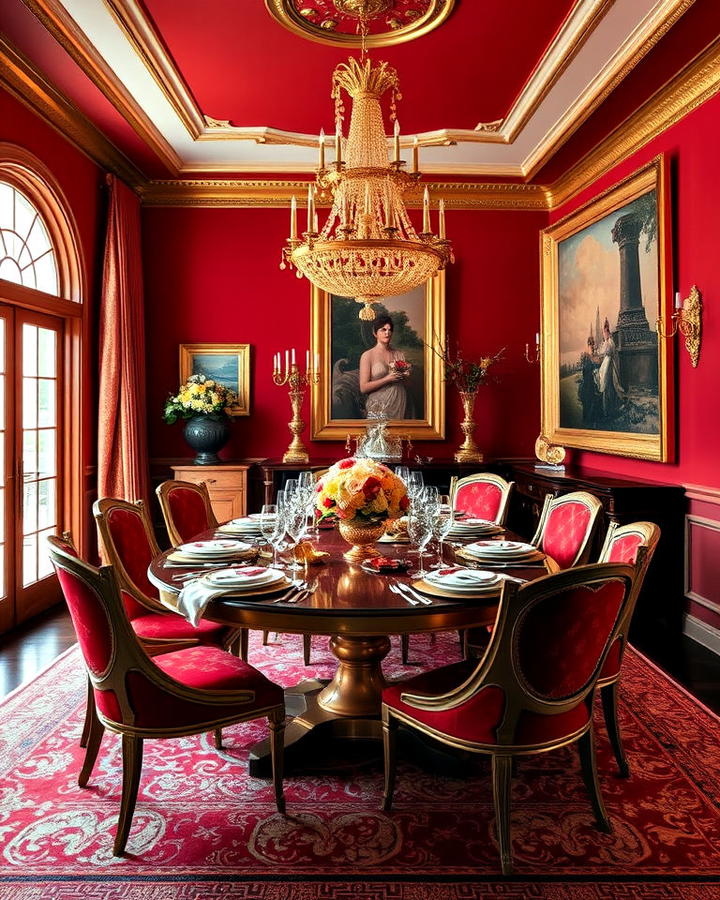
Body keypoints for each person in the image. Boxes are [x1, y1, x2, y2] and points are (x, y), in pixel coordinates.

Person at [359, 315, 411, 419]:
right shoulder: (368, 355)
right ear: (375, 333)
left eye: (390, 329)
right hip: (378, 405)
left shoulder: (399, 354)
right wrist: (387, 379)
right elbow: (363, 388)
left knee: (398, 435)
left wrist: (406, 374)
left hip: (398, 402)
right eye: (383, 329)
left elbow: (407, 384)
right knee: (378, 434)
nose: (387, 333)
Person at [595, 318, 625, 421]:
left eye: (605, 333)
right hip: (605, 364)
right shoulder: (605, 342)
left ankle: (611, 410)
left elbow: (609, 352)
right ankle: (606, 410)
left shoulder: (610, 342)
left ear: (608, 333)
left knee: (609, 386)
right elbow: (600, 352)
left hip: (609, 365)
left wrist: (603, 351)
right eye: (603, 333)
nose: (604, 335)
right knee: (605, 386)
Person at [578, 335, 600, 428]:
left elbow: (597, 364)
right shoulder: (586, 356)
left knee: (592, 400)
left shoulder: (593, 355)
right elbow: (586, 368)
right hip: (587, 381)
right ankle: (586, 420)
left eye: (592, 344)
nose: (591, 346)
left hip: (591, 381)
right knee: (587, 400)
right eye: (590, 344)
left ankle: (591, 421)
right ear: (588, 344)